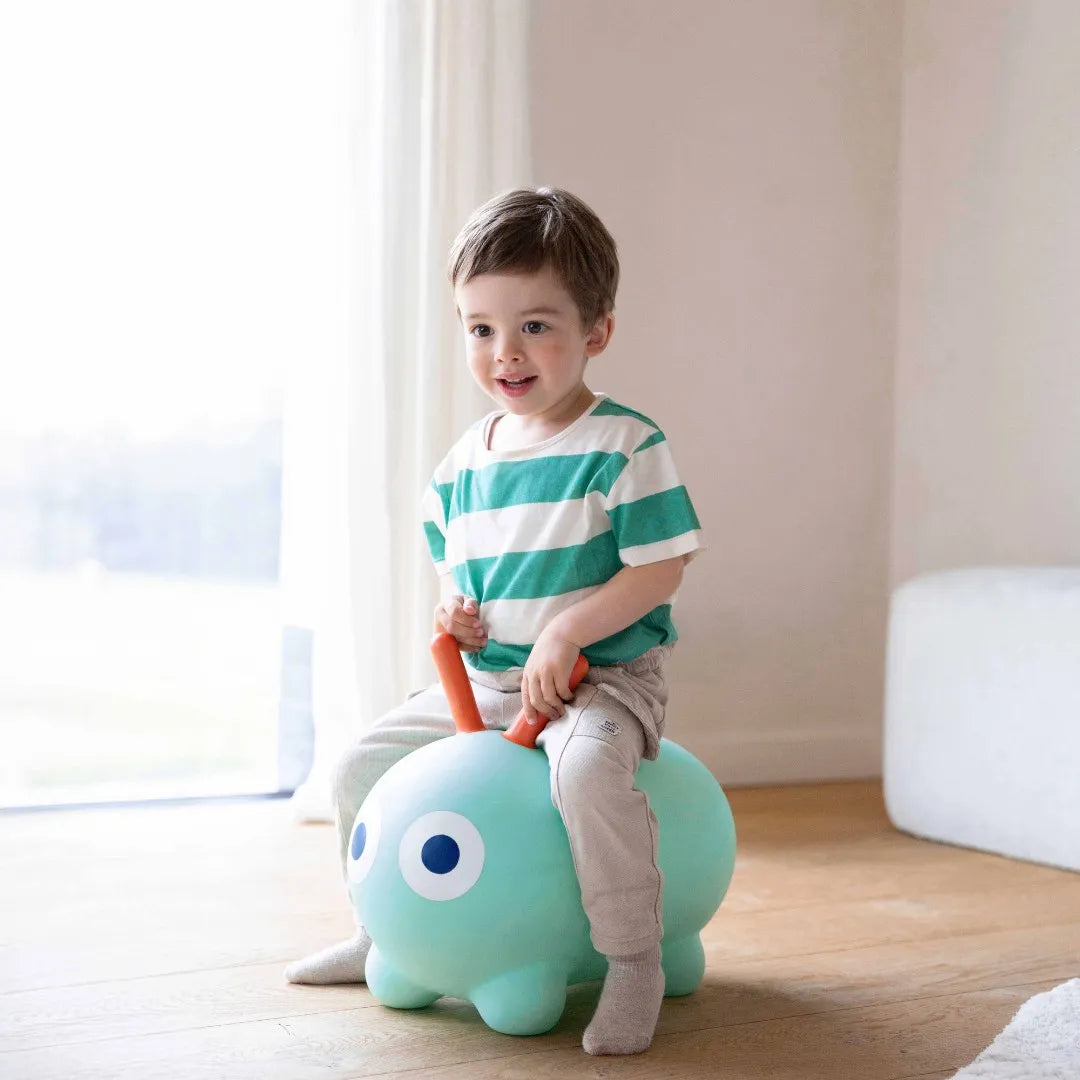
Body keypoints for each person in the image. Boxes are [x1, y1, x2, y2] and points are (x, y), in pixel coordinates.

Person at [285, 187, 704, 1056]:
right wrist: (457, 609)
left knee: (585, 777)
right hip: (489, 683)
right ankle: (380, 928)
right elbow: (456, 566)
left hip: (601, 683)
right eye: (481, 328)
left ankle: (632, 959)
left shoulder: (626, 446)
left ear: (597, 331)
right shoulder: (460, 466)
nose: (505, 352)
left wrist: (568, 632)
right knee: (360, 763)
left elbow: (661, 566)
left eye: (534, 326)